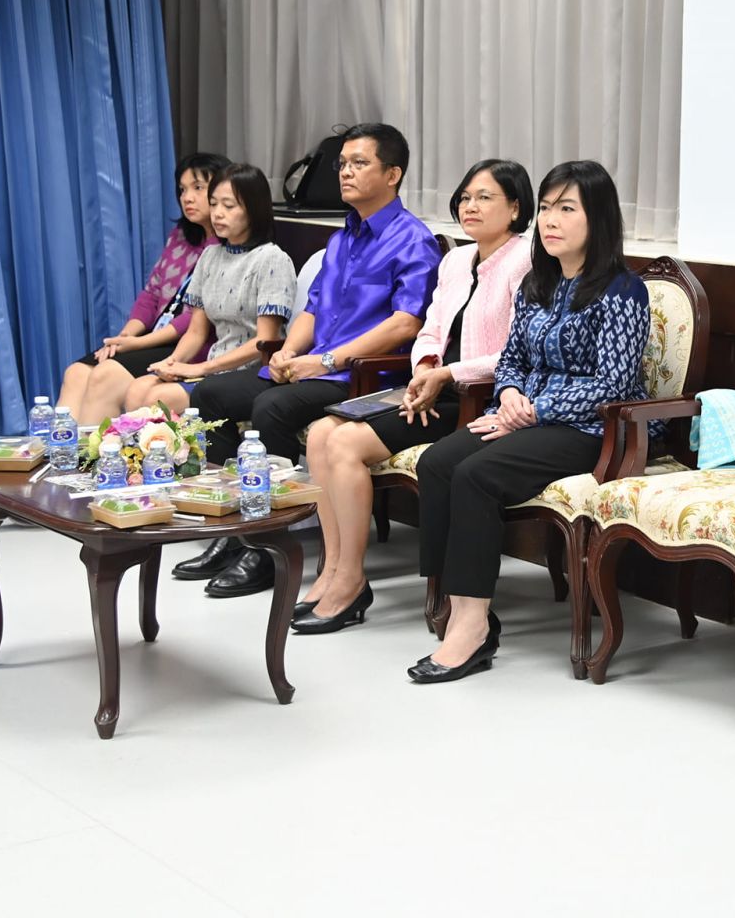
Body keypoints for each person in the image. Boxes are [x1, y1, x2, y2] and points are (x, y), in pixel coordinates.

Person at [408, 160, 649, 683]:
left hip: (591, 431)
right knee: (438, 463)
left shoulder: (622, 290)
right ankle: (459, 604)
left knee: (476, 475)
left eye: (567, 209)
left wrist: (535, 409)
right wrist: (512, 394)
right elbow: (511, 359)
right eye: (546, 208)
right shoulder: (538, 284)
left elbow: (614, 384)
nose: (551, 220)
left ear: (598, 218)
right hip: (526, 417)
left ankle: (471, 628)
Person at [175, 122, 440, 598]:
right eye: (343, 163)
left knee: (272, 408)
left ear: (393, 174)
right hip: (316, 366)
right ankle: (233, 528)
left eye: (359, 163)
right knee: (212, 395)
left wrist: (327, 360)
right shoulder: (342, 239)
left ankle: (267, 546)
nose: (345, 172)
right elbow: (314, 309)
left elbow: (406, 324)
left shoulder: (413, 239)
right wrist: (288, 351)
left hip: (364, 377)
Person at [292, 159, 535, 634]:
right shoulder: (456, 260)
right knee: (321, 432)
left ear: (515, 208)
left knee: (343, 444)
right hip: (431, 387)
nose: (470, 206)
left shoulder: (525, 260)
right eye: (465, 197)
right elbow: (431, 328)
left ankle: (351, 580)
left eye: (485, 198)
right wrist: (424, 366)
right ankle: (335, 569)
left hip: (478, 398)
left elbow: (515, 352)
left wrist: (445, 374)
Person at [55, 152, 230, 425]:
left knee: (106, 375)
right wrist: (125, 336)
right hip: (153, 337)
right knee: (76, 372)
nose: (187, 197)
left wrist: (136, 344)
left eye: (197, 188)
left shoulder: (226, 250)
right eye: (182, 189)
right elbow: (151, 294)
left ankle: (96, 451)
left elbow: (192, 322)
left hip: (191, 345)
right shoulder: (180, 238)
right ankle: (63, 449)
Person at [123, 164, 294, 417]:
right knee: (137, 389)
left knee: (157, 399)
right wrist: (173, 363)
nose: (218, 213)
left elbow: (264, 341)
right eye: (213, 204)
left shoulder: (271, 259)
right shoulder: (210, 255)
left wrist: (202, 368)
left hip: (251, 372)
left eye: (229, 206)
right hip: (214, 366)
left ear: (253, 209)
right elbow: (196, 332)